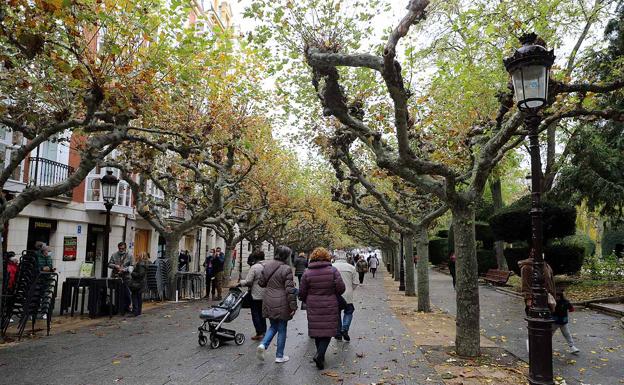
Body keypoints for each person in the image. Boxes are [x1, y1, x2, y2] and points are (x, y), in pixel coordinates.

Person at [299, 247, 346, 370]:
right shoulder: (333, 270)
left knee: (317, 330)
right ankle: (320, 354)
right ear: (327, 257)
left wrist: (307, 299)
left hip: (313, 304)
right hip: (330, 304)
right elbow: (341, 289)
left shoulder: (307, 272)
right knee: (328, 330)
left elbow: (302, 292)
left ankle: (320, 355)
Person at [256, 245, 297, 364]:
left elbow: (261, 283)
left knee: (273, 325)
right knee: (282, 328)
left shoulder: (267, 265)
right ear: (286, 255)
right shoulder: (286, 269)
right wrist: (293, 306)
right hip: (282, 300)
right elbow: (290, 290)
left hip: (268, 298)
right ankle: (279, 355)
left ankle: (263, 344)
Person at [237, 251, 266, 340]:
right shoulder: (266, 266)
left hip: (255, 294)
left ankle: (259, 332)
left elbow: (248, 281)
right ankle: (264, 331)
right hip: (265, 293)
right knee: (262, 313)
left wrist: (240, 283)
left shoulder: (254, 267)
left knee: (255, 313)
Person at [332, 251, 358, 342]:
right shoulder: (351, 268)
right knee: (349, 311)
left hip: (335, 294)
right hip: (348, 294)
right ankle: (345, 328)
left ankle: (338, 333)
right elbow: (355, 282)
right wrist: (350, 289)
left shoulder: (331, 267)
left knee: (337, 313)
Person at [109, 242, 133, 314]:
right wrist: (115, 266)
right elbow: (109, 264)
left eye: (122, 248)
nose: (121, 250)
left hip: (126, 277)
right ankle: (118, 308)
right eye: (120, 248)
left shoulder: (130, 255)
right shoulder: (114, 255)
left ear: (125, 248)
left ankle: (127, 307)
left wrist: (124, 269)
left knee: (127, 293)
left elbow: (132, 266)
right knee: (117, 293)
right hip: (116, 276)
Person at [552, 290, 580, 354]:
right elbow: (571, 309)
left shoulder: (553, 302)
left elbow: (571, 309)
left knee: (566, 334)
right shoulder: (566, 302)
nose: (557, 297)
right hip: (559, 321)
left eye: (558, 296)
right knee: (566, 334)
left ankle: (572, 347)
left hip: (557, 321)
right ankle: (572, 347)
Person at [128, 252, 148, 317]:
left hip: (137, 283)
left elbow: (140, 274)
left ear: (140, 257)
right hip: (141, 283)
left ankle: (135, 311)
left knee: (135, 297)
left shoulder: (140, 264)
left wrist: (131, 272)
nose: (136, 256)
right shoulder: (144, 263)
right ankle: (138, 311)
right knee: (138, 297)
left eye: (137, 255)